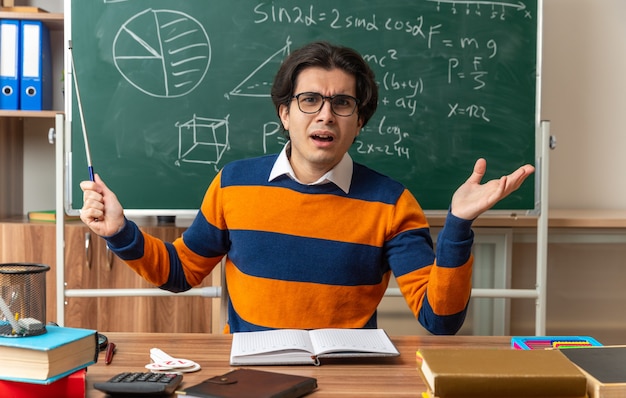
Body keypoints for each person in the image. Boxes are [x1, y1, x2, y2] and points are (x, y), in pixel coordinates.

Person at [80, 41, 534, 335]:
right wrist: (122, 231)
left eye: (342, 104)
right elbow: (180, 272)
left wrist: (457, 225)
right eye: (309, 100)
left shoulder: (392, 204)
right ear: (284, 113)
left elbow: (441, 319)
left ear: (359, 122)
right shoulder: (233, 183)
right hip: (252, 376)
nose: (325, 115)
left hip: (348, 377)